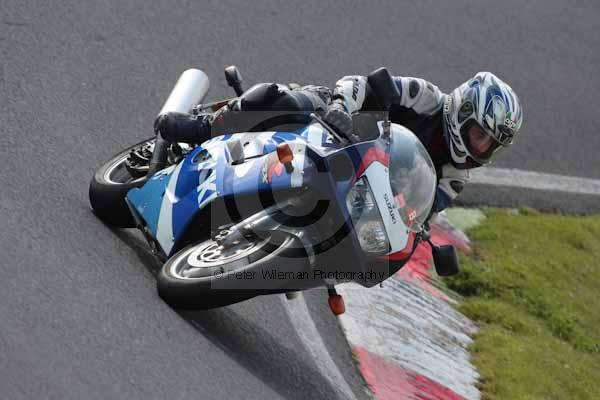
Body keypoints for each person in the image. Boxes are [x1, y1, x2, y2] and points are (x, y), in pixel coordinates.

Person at [154, 68, 523, 213]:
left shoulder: (455, 176)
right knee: (280, 101)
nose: (481, 148)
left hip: (355, 185)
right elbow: (362, 83)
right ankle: (203, 128)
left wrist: (407, 221)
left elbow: (421, 215)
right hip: (333, 124)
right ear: (463, 112)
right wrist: (340, 106)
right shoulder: (425, 98)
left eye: (490, 144)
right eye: (480, 134)